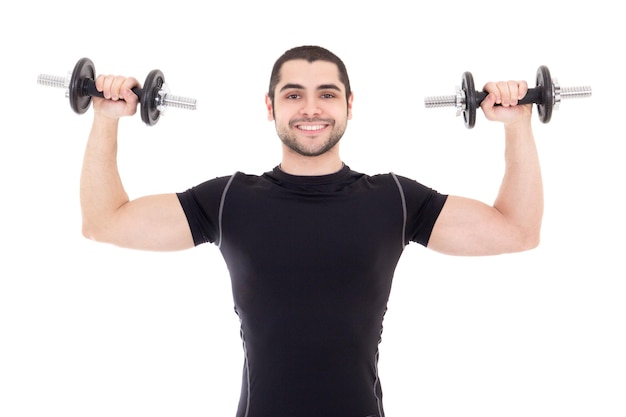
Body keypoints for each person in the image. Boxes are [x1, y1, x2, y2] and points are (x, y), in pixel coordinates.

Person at [80, 45, 543, 417]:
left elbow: (517, 230)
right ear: (270, 106)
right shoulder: (229, 201)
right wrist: (105, 118)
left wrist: (517, 124)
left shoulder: (394, 200)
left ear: (348, 104)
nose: (311, 108)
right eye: (293, 94)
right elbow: (105, 222)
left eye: (326, 93)